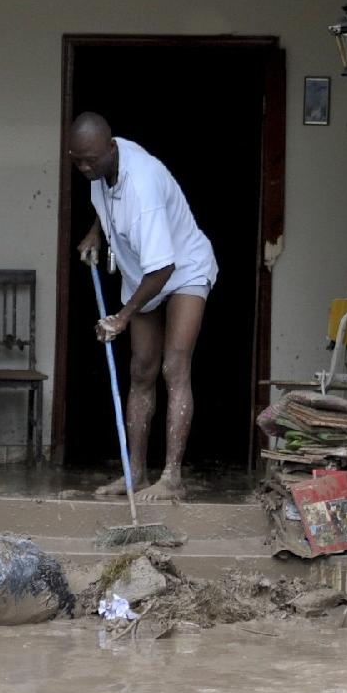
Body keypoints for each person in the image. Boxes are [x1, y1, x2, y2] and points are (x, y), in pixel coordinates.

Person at [69, 112, 217, 502]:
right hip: (144, 268)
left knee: (174, 366)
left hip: (182, 267)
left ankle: (171, 478)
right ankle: (134, 474)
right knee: (140, 370)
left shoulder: (144, 184)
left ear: (111, 148)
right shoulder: (104, 166)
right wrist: (95, 232)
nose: (85, 168)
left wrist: (123, 316)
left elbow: (165, 266)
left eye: (91, 160)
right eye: (77, 160)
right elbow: (111, 205)